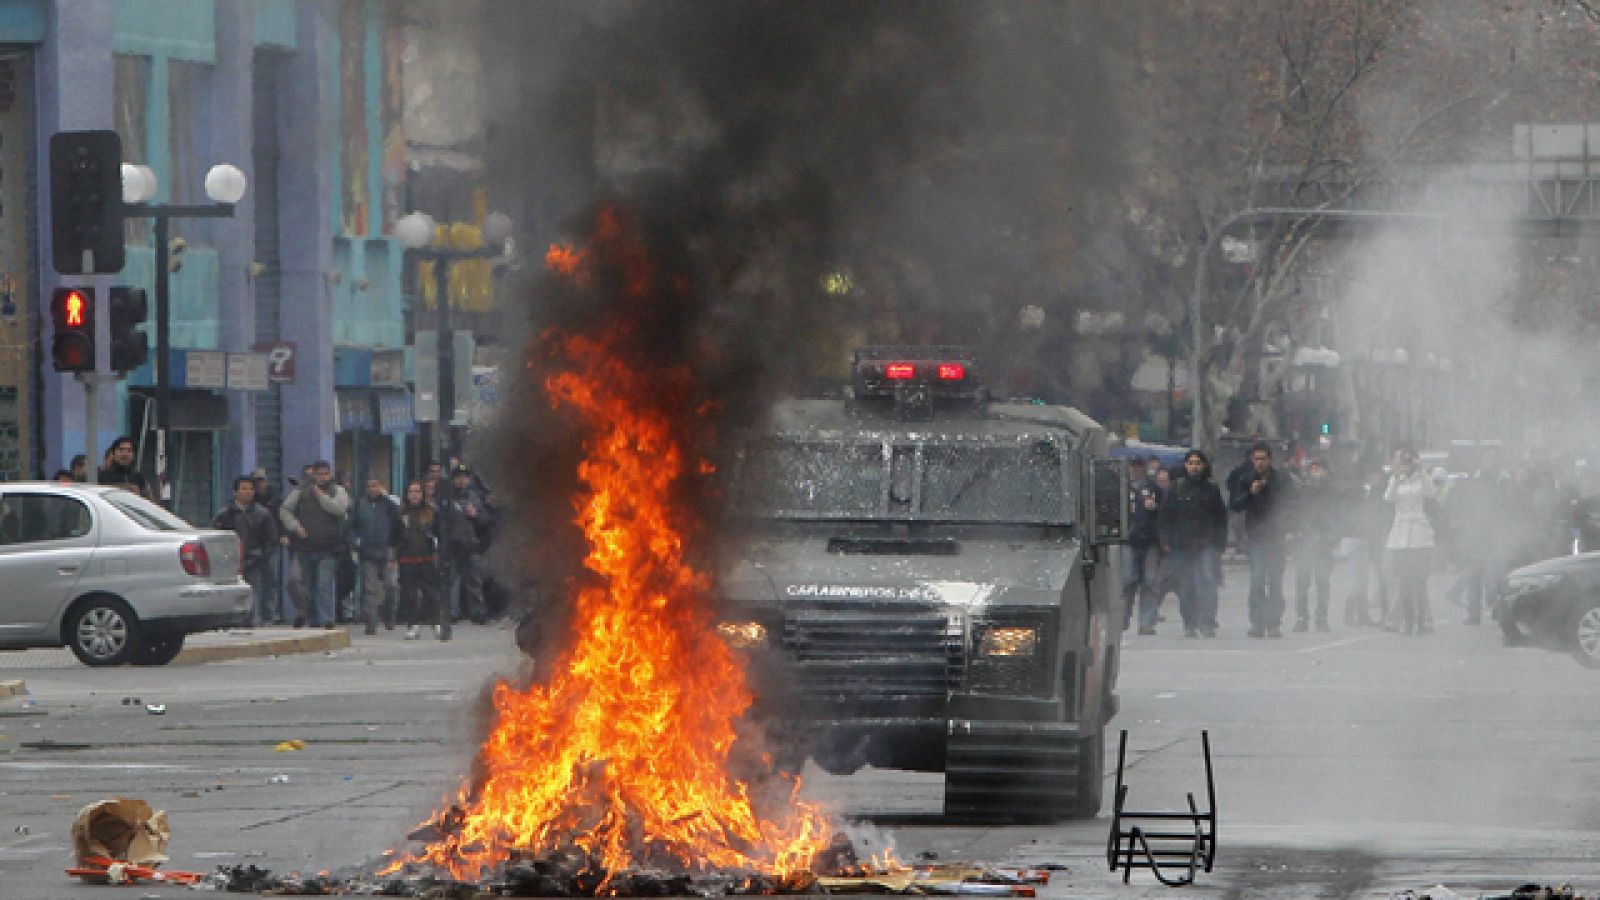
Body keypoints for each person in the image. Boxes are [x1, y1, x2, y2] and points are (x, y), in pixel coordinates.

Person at [1158, 449, 1228, 638]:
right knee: (1186, 584)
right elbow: (1165, 516)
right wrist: (1165, 540)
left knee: (1207, 581)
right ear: (1186, 466)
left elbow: (1221, 517)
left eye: (1198, 463)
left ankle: (1207, 622)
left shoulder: (1211, 489)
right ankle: (1189, 622)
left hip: (1207, 543)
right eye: (1191, 463)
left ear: (1203, 465)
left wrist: (1220, 543)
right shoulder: (1176, 488)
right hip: (1182, 544)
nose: (1194, 466)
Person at [1229, 442, 1296, 638]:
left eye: (1263, 459)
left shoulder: (1282, 480)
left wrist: (1290, 529)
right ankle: (1257, 621)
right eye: (1256, 459)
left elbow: (1291, 504)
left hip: (1276, 536)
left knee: (1275, 580)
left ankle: (1274, 622)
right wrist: (1250, 493)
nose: (1259, 463)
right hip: (1256, 536)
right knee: (1257, 579)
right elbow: (1235, 505)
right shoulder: (1246, 480)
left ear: (1269, 460)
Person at [278, 460, 351, 629]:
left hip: (329, 548)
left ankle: (327, 619)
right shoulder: (301, 491)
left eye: (326, 474)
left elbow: (340, 509)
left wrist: (322, 497)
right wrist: (296, 527)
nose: (323, 477)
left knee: (323, 583)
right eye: (319, 474)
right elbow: (284, 510)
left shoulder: (337, 490)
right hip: (306, 546)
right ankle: (313, 619)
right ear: (314, 475)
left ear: (330, 474)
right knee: (309, 586)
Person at [214, 476, 281, 627]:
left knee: (255, 592)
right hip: (230, 562)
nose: (248, 492)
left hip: (255, 560)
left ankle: (255, 621)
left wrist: (261, 556)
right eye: (244, 489)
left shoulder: (263, 514)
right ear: (235, 492)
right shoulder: (225, 514)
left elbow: (271, 539)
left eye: (251, 489)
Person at [1385, 447, 1438, 635]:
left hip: (1420, 535)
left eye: (1410, 461)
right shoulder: (1396, 480)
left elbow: (1431, 492)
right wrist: (1395, 476)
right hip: (1400, 535)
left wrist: (1421, 470)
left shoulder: (1421, 478)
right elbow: (1388, 498)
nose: (1406, 464)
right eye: (1403, 461)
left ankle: (1422, 622)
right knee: (1404, 582)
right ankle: (1407, 622)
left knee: (1419, 581)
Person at [438, 463, 493, 624]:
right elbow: (440, 522)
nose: (462, 480)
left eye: (464, 477)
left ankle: (477, 613)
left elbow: (486, 522)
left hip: (471, 545)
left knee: (474, 581)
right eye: (458, 477)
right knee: (451, 582)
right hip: (452, 546)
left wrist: (475, 515)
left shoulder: (476, 498)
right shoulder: (446, 498)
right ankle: (451, 613)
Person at [394, 479, 448, 641]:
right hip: (407, 559)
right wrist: (393, 556)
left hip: (427, 558)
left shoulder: (432, 512)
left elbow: (441, 534)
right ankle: (413, 625)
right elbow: (393, 536)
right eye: (411, 492)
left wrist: (440, 553)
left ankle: (436, 623)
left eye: (417, 492)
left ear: (423, 494)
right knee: (409, 594)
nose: (414, 495)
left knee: (431, 593)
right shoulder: (400, 513)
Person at [348, 477, 402, 635]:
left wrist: (395, 551)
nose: (372, 489)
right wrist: (356, 543)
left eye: (375, 486)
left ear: (381, 487)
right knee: (369, 589)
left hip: (388, 552)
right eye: (369, 486)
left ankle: (389, 614)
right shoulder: (359, 505)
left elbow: (399, 522)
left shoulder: (389, 505)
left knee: (391, 585)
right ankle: (371, 622)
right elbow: (350, 527)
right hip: (368, 552)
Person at [1292, 459, 1340, 633]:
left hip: (1324, 543)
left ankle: (1321, 618)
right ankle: (1301, 618)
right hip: (1305, 541)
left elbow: (1337, 517)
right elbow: (1296, 513)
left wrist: (1333, 538)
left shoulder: (1332, 493)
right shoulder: (1303, 492)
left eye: (1320, 469)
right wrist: (1295, 532)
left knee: (1322, 582)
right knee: (1302, 582)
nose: (1317, 473)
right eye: (1314, 469)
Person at [1124, 457, 1162, 633]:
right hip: (1127, 540)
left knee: (1150, 581)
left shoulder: (1153, 488)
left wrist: (1155, 508)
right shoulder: (1121, 488)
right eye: (1133, 466)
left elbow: (1164, 512)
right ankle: (1122, 619)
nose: (1135, 470)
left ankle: (1146, 622)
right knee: (1127, 581)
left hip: (1150, 540)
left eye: (1138, 466)